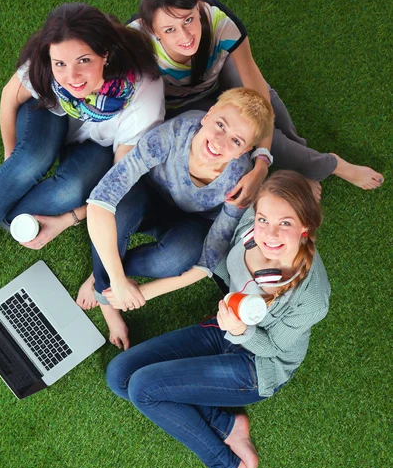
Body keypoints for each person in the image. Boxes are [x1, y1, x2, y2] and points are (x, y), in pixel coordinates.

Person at [105, 170, 331, 468]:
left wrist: (241, 331)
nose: (269, 234)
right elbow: (211, 261)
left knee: (143, 389)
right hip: (225, 328)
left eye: (285, 223)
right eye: (264, 219)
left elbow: (273, 347)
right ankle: (228, 423)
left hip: (258, 365)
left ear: (305, 228)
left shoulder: (312, 299)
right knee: (119, 375)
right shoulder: (247, 228)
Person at [0, 3, 164, 290]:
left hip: (99, 145)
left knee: (52, 200)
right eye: (60, 64)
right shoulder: (50, 63)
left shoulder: (143, 99)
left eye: (84, 61)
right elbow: (10, 96)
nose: (71, 77)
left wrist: (65, 220)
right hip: (48, 112)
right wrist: (11, 165)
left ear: (106, 54)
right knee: (30, 160)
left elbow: (115, 185)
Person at [130, 0, 384, 202]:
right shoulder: (135, 41)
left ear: (198, 8)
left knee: (262, 109)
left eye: (188, 20)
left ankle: (311, 160)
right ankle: (327, 163)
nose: (184, 36)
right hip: (185, 104)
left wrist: (261, 163)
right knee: (251, 133)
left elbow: (260, 96)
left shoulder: (220, 21)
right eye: (170, 29)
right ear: (153, 30)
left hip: (217, 75)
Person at [81, 87, 274, 350]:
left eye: (236, 141)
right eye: (220, 124)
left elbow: (208, 261)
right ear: (208, 115)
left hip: (192, 221)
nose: (220, 141)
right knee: (116, 216)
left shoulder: (240, 179)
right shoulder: (174, 133)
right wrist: (116, 281)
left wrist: (143, 292)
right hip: (149, 194)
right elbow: (100, 201)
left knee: (176, 257)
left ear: (245, 151)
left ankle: (101, 272)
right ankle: (105, 297)